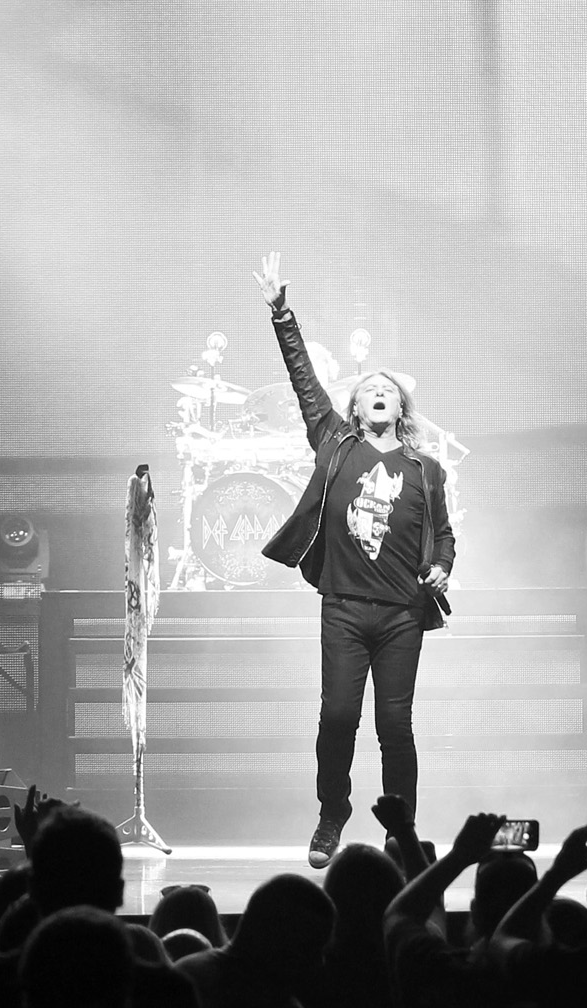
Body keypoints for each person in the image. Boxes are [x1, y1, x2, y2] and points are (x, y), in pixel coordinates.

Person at [250, 252, 456, 867]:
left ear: (401, 409)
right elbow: (304, 381)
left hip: (402, 614)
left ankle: (401, 829)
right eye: (369, 390)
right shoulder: (334, 442)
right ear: (356, 408)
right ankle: (331, 814)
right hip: (343, 607)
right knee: (338, 716)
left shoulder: (426, 469)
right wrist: (282, 314)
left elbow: (444, 536)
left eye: (388, 391)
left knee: (395, 726)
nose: (378, 394)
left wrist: (443, 565)